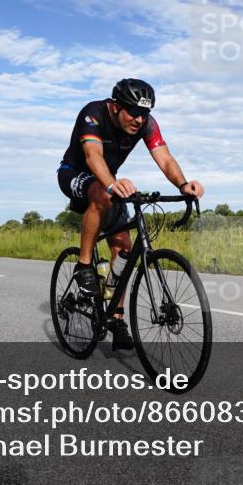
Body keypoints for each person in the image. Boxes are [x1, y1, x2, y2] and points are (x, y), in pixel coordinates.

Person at [57, 79, 204, 351]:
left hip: (107, 180)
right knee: (102, 194)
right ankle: (84, 265)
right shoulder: (93, 113)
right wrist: (111, 184)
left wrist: (183, 185)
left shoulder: (147, 124)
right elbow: (92, 156)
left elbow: (165, 158)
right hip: (75, 173)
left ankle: (116, 317)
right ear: (116, 107)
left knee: (124, 249)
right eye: (133, 112)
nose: (139, 119)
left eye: (144, 113)